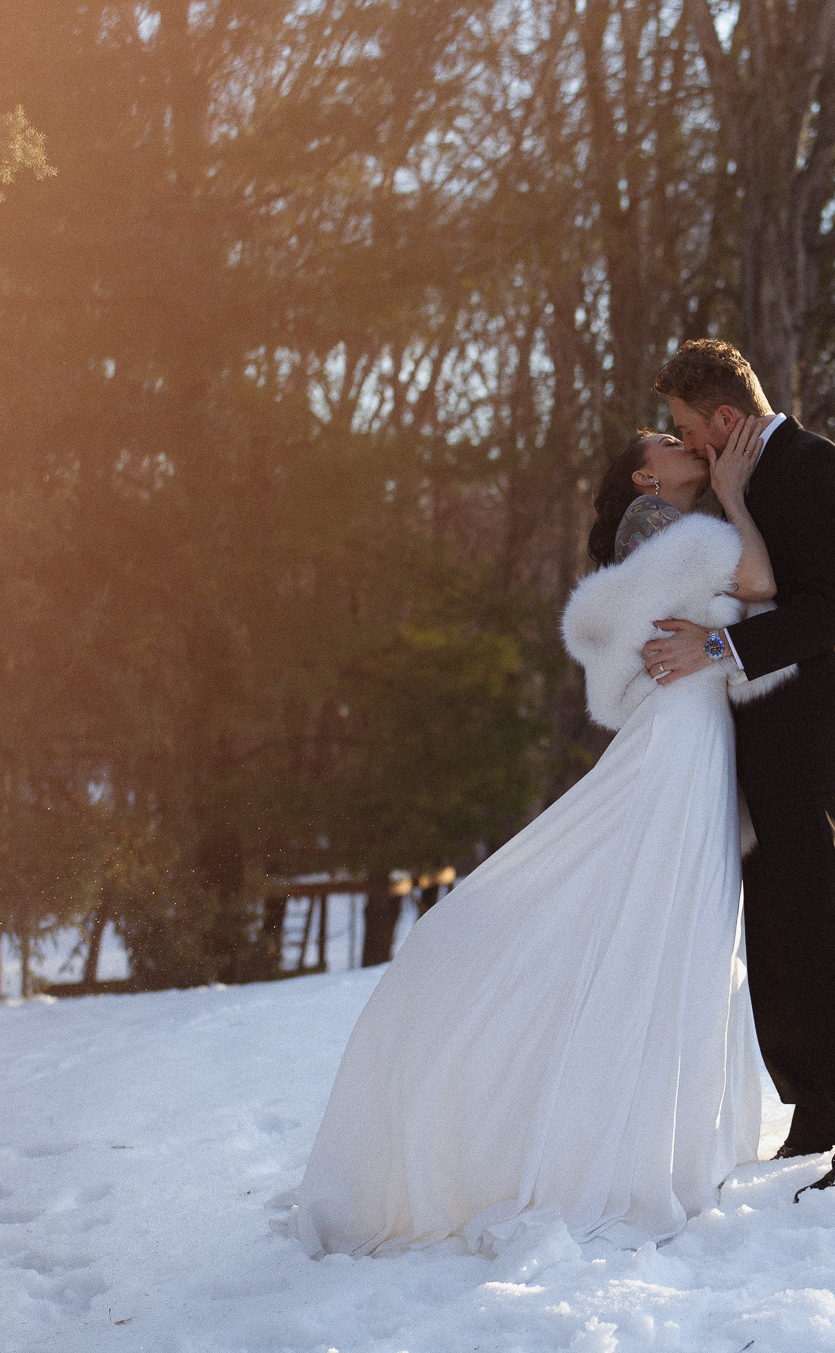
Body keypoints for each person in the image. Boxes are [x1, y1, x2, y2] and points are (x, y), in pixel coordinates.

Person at [280, 418, 787, 1257]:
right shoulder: (678, 532)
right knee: (649, 915)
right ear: (644, 480)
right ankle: (603, 1133)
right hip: (678, 740)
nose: (680, 441)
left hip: (688, 735)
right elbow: (762, 581)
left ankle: (645, 1122)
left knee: (658, 919)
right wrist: (734, 492)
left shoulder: (664, 530)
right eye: (663, 440)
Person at [638, 338, 835, 1194]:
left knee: (820, 936)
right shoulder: (730, 480)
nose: (684, 443)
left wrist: (722, 643)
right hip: (739, 743)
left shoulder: (812, 464)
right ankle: (818, 1108)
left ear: (726, 417)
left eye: (689, 428)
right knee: (773, 942)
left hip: (798, 739)